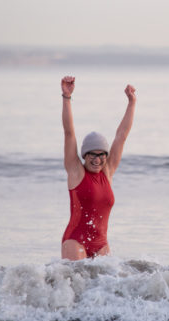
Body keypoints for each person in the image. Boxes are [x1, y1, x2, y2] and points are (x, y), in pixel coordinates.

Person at [60, 76, 136, 260]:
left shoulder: (107, 172)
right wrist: (66, 97)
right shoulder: (76, 171)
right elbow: (69, 133)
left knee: (109, 287)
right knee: (79, 287)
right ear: (84, 155)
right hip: (75, 241)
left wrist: (132, 103)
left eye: (101, 154)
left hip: (101, 244)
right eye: (92, 154)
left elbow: (121, 136)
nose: (97, 159)